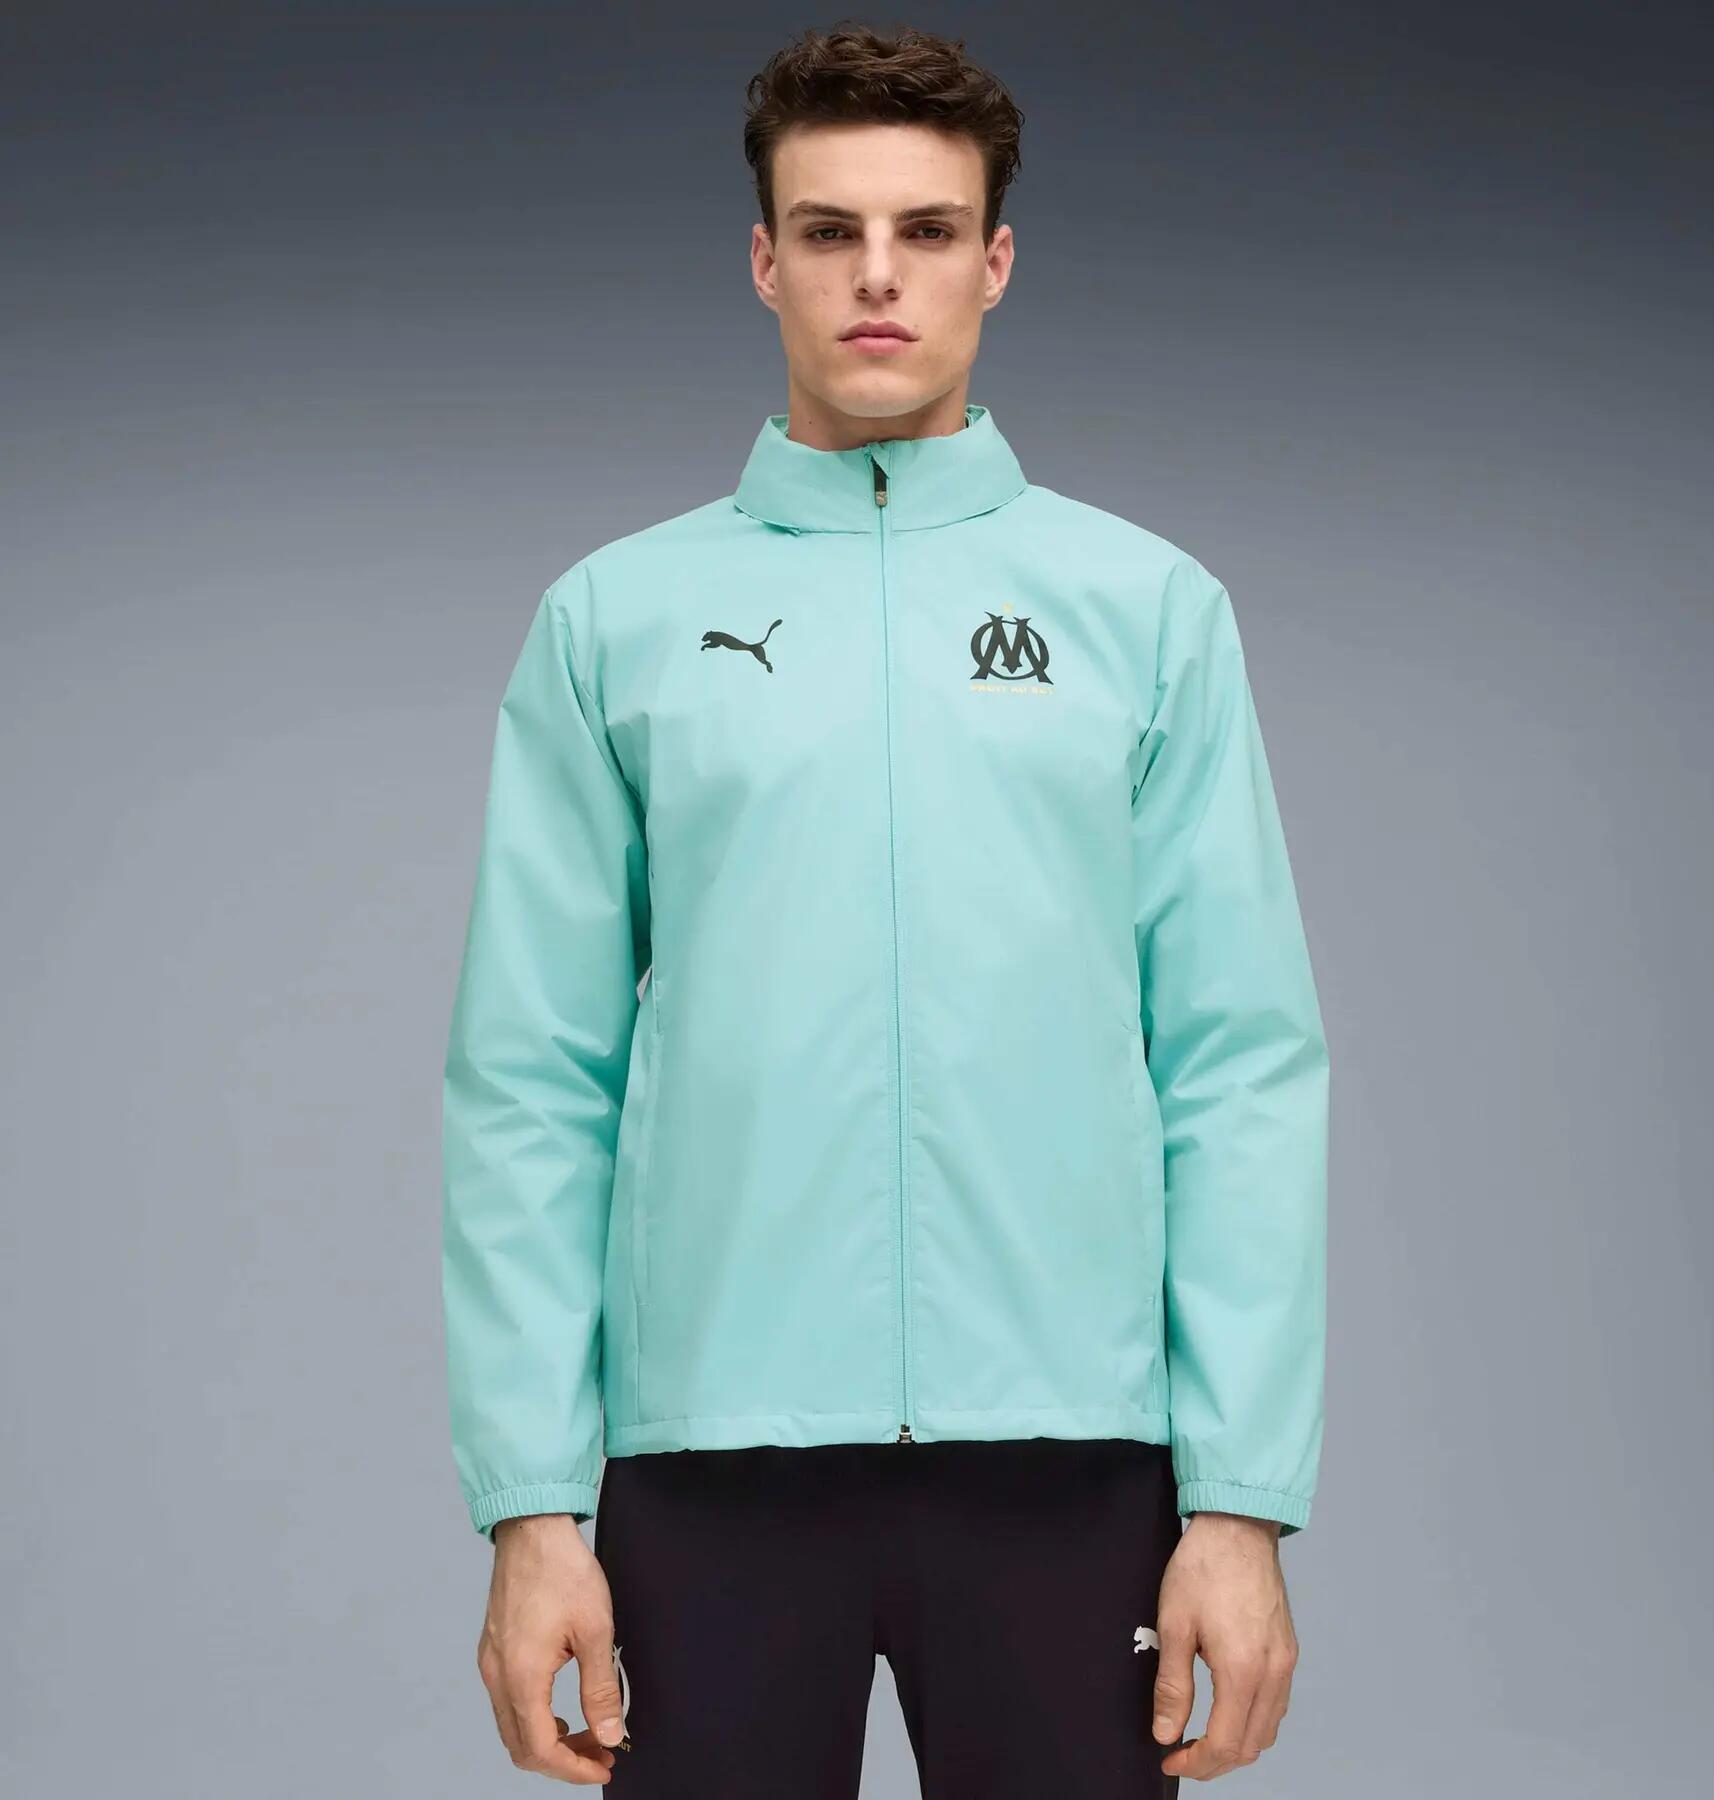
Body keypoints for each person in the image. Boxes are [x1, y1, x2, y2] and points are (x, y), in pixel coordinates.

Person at [440, 22, 1329, 1796]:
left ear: (995, 261)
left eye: (925, 231)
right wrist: (532, 1507)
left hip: (1074, 1462)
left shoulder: (1147, 610)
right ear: (762, 260)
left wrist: (1240, 1502)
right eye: (828, 230)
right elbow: (532, 1082)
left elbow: (1240, 1067)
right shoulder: (614, 620)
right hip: (707, 1467)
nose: (876, 275)